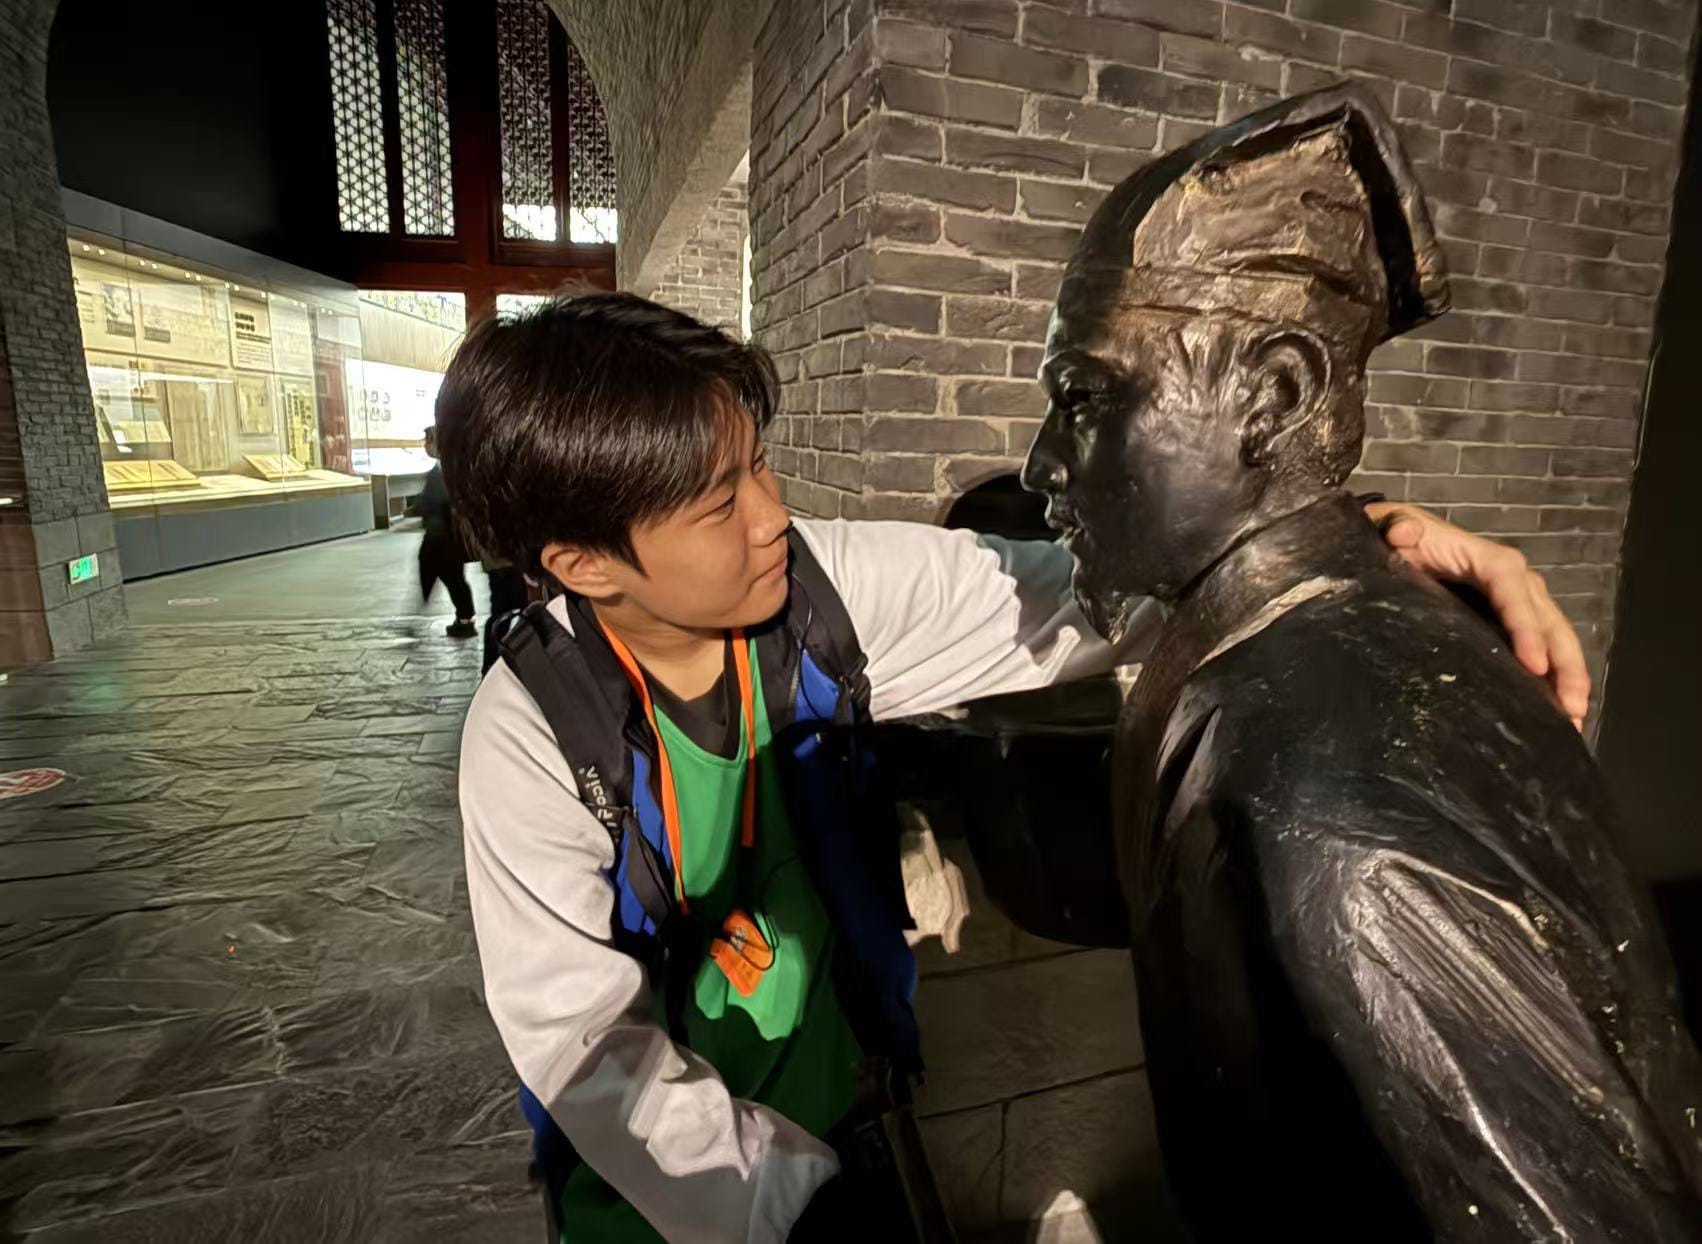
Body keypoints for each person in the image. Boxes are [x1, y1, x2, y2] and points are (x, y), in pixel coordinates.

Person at [436, 294, 1591, 1242]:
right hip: (670, 1204)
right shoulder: (532, 737)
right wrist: (783, 1206)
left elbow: (1085, 596)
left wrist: (1364, 538)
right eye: (715, 502)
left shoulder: (815, 595)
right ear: (585, 564)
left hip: (849, 1124)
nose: (771, 516)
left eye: (760, 467)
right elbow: (585, 1044)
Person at [1029, 84, 1701, 1240]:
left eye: (1084, 396)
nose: (1042, 462)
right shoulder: (1278, 643)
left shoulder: (1323, 793)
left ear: (1274, 392)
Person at [418, 425, 477, 639]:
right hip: (440, 533)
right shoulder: (442, 467)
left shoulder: (449, 468)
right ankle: (463, 616)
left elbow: (446, 500)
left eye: (428, 440)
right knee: (446, 574)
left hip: (445, 535)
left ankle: (465, 618)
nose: (426, 445)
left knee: (450, 575)